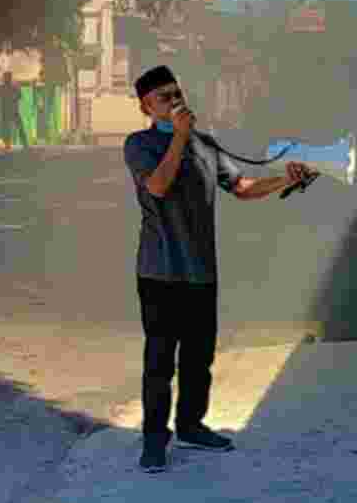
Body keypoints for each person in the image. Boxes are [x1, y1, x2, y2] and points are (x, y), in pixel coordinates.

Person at [122, 65, 315, 474]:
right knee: (160, 361)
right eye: (164, 97)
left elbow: (242, 187)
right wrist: (178, 137)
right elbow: (157, 186)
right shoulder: (138, 145)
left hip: (201, 271)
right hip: (159, 272)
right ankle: (155, 440)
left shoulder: (205, 145)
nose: (175, 102)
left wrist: (285, 179)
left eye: (177, 94)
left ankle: (191, 425)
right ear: (145, 106)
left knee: (198, 357)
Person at [0, 71, 29, 149]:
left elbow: (19, 96)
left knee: (9, 127)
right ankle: (22, 143)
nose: (7, 79)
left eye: (8, 77)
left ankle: (11, 144)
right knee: (14, 127)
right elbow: (19, 96)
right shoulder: (10, 87)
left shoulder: (5, 87)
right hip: (11, 109)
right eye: (7, 77)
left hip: (9, 110)